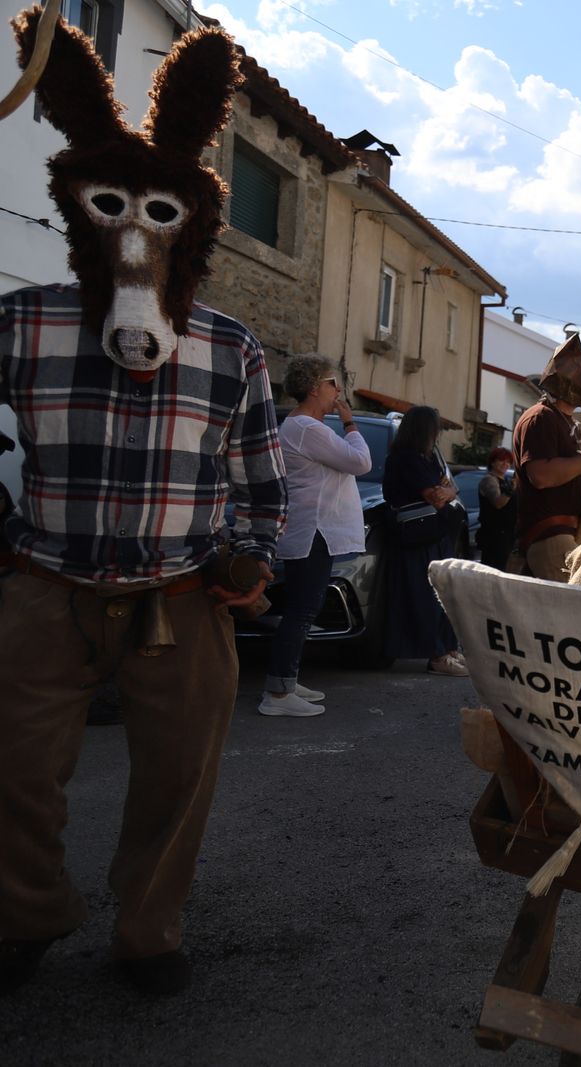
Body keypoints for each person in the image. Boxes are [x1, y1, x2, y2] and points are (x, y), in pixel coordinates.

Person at [1, 17, 286, 996]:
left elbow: (260, 477)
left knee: (177, 776)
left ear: (191, 217)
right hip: (45, 585)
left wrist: (251, 556)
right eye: (110, 204)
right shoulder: (22, 321)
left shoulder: (231, 345)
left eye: (158, 209)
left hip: (184, 595)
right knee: (13, 766)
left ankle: (148, 926)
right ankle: (25, 911)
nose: (134, 230)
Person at [261, 356, 371, 717]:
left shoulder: (302, 426)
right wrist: (350, 422)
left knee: (302, 609)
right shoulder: (308, 428)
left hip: (311, 529)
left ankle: (286, 681)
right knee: (302, 611)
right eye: (332, 383)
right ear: (314, 387)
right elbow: (361, 462)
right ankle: (277, 695)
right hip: (313, 531)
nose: (338, 391)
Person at [509, 334, 581, 580]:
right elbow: (541, 475)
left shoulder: (568, 423)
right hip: (551, 537)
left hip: (572, 534)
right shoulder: (540, 417)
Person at [382, 406, 467, 676]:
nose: (438, 433)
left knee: (444, 594)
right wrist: (450, 491)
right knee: (426, 598)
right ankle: (437, 655)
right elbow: (439, 496)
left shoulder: (426, 457)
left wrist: (447, 490)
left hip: (433, 534)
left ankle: (448, 649)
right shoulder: (407, 458)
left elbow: (444, 489)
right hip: (418, 538)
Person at [476, 447, 516, 571]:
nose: (505, 464)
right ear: (493, 462)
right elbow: (498, 503)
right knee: (492, 571)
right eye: (502, 460)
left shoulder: (507, 481)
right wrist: (511, 489)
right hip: (494, 536)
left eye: (508, 462)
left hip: (508, 534)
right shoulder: (489, 480)